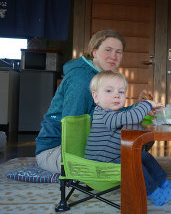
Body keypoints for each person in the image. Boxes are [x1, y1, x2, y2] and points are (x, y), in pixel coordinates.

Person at [35, 30, 151, 173]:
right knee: (130, 149)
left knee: (140, 136)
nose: (113, 57)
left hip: (79, 143)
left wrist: (137, 107)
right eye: (107, 50)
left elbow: (106, 114)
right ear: (94, 52)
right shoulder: (81, 80)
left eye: (119, 52)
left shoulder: (100, 77)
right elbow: (72, 128)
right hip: (57, 150)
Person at [84, 70, 171, 206]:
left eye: (121, 92)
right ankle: (157, 195)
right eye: (109, 91)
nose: (116, 95)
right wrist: (147, 104)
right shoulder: (103, 115)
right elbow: (131, 116)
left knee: (142, 155)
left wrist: (142, 109)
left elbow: (128, 116)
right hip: (100, 166)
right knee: (133, 163)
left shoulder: (114, 113)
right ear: (96, 97)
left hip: (111, 159)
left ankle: (163, 183)